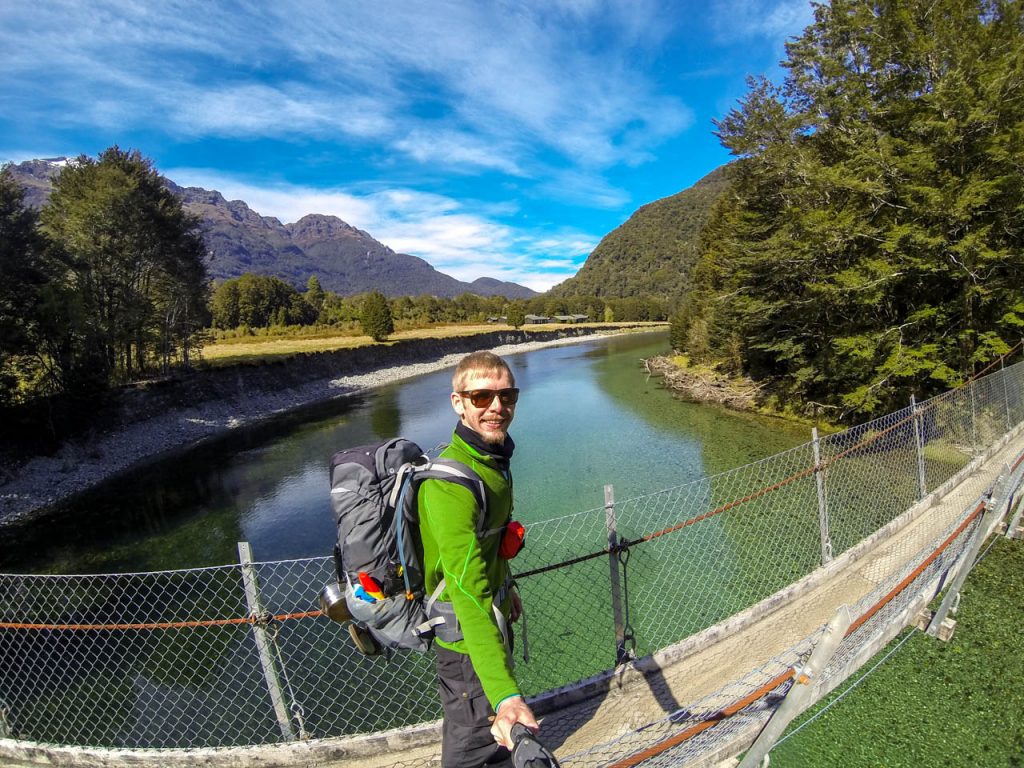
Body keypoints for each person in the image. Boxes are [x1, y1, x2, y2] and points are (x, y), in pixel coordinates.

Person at [418, 350, 540, 767]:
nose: (497, 407)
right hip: (467, 643)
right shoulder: (450, 485)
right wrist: (506, 694)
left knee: (490, 740)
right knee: (473, 748)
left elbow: (489, 547)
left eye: (507, 396)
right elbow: (466, 591)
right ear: (458, 402)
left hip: (493, 620)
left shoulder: (493, 460)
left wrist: (509, 590)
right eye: (481, 396)